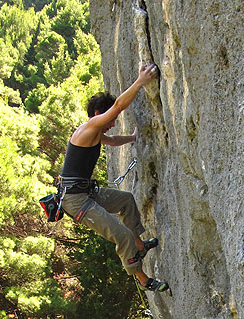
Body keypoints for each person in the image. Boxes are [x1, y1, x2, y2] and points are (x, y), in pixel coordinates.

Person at [58, 63, 169, 292]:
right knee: (121, 235)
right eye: (109, 119)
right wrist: (140, 81)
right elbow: (118, 106)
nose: (113, 123)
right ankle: (144, 281)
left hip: (86, 192)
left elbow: (114, 140)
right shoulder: (89, 128)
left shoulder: (96, 133)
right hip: (76, 200)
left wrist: (132, 138)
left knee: (126, 200)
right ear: (99, 114)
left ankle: (140, 245)